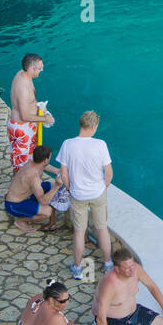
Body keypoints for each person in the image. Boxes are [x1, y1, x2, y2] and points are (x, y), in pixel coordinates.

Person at [56, 111, 113, 279]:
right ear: (94, 127)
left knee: (79, 232)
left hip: (78, 195)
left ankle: (78, 268)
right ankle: (108, 263)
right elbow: (108, 172)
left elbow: (64, 173)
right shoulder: (100, 144)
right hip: (97, 193)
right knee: (102, 228)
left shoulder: (67, 144)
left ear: (80, 124)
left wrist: (69, 188)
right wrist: (104, 186)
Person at [7, 53, 53, 171]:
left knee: (31, 160)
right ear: (31, 68)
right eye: (40, 67)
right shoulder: (22, 87)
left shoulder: (24, 75)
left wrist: (40, 107)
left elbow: (30, 101)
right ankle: (19, 187)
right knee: (21, 166)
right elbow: (24, 115)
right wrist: (45, 119)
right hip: (21, 130)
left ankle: (29, 185)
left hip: (28, 127)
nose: (42, 70)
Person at [4, 145, 59, 233]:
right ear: (45, 160)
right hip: (14, 204)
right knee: (47, 211)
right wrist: (57, 185)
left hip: (25, 195)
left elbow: (46, 166)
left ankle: (44, 217)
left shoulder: (32, 162)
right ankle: (21, 221)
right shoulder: (33, 177)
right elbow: (43, 201)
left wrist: (59, 171)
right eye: (49, 158)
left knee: (50, 186)